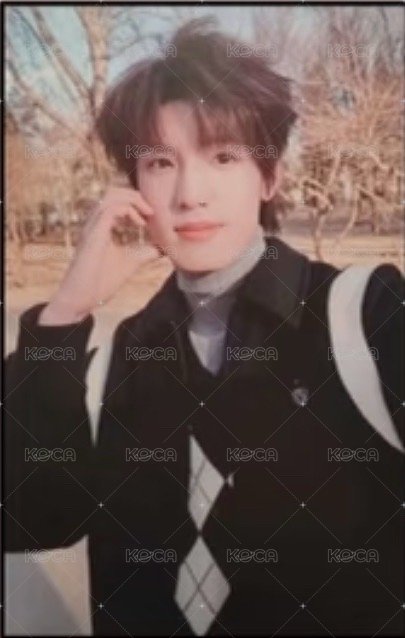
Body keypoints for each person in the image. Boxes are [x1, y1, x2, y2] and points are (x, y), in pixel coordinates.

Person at [5, 18, 404, 636]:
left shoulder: (366, 314)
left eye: (223, 156)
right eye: (161, 162)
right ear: (135, 185)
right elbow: (32, 519)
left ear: (269, 176)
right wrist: (65, 314)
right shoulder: (127, 350)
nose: (190, 193)